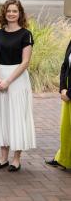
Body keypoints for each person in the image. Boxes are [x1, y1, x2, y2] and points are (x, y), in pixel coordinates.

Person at [0, 0, 36, 172]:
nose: (11, 14)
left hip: (17, 79)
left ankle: (16, 159)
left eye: (15, 11)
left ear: (20, 13)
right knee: (3, 117)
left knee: (17, 116)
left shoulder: (25, 34)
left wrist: (8, 81)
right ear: (4, 13)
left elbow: (26, 62)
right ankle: (3, 158)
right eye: (9, 11)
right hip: (0, 79)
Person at [45, 41, 71, 169]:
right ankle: (63, 158)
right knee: (66, 128)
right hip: (68, 94)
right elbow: (65, 66)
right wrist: (63, 88)